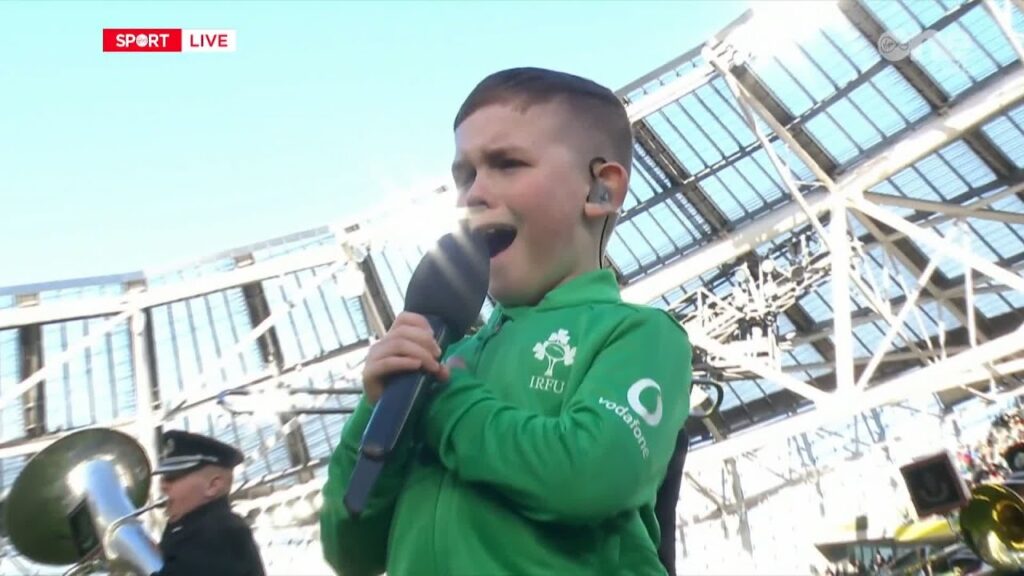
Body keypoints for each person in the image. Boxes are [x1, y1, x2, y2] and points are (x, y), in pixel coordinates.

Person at [320, 67, 692, 575]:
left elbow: (588, 475)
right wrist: (377, 411)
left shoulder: (641, 336)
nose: (472, 194)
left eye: (507, 164)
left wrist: (444, 402)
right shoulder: (447, 360)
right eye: (464, 175)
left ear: (601, 191)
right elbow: (350, 553)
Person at [152, 429, 266, 576]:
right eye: (163, 478)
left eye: (172, 477)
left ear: (213, 486)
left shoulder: (223, 532)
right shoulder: (188, 528)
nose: (163, 486)